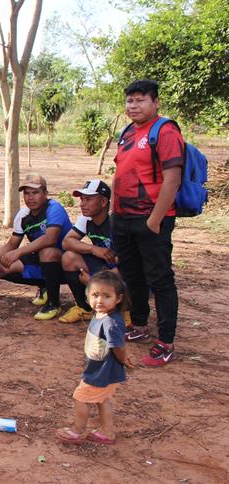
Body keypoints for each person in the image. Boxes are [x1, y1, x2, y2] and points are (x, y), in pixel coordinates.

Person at [112, 80, 183, 367]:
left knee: (160, 279)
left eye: (140, 100)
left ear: (155, 102)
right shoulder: (128, 132)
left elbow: (172, 179)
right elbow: (122, 171)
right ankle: (139, 325)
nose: (133, 106)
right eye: (130, 101)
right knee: (132, 275)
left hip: (151, 220)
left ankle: (165, 342)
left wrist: (154, 221)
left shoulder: (165, 131)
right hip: (123, 218)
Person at [56, 271, 133, 445]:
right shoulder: (101, 315)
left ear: (118, 298)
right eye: (95, 295)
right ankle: (107, 432)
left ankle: (77, 431)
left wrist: (123, 360)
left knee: (80, 397)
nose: (100, 300)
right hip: (102, 368)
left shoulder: (111, 322)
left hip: (102, 372)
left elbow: (118, 346)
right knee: (101, 399)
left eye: (107, 296)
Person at [0, 174, 72, 320]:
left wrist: (18, 253)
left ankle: (53, 303)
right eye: (27, 193)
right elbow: (12, 243)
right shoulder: (23, 215)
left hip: (65, 261)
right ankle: (46, 287)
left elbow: (50, 238)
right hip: (40, 258)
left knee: (47, 252)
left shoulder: (55, 208)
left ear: (45, 193)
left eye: (35, 192)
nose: (30, 197)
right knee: (1, 268)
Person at [59, 179, 120, 323]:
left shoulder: (117, 222)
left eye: (88, 199)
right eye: (81, 199)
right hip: (106, 267)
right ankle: (84, 308)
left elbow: (130, 264)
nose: (82, 203)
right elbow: (67, 242)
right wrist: (93, 249)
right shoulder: (86, 219)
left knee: (129, 272)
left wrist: (94, 282)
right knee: (69, 257)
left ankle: (125, 312)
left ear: (104, 202)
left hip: (124, 271)